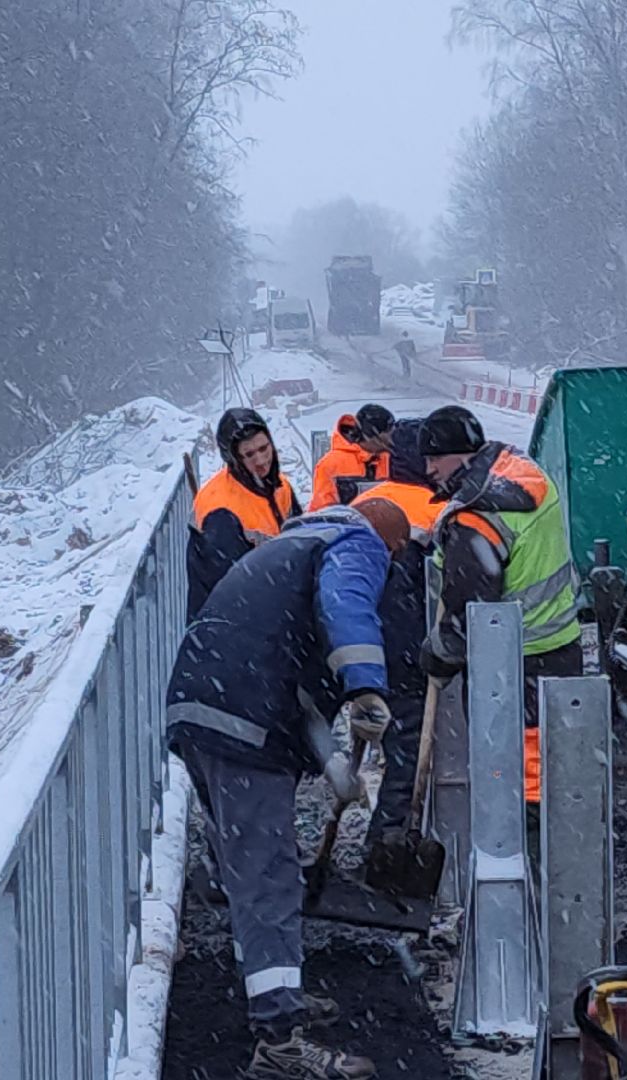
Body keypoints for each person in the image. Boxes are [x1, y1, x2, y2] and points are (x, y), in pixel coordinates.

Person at [165, 501, 411, 1080]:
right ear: (389, 543)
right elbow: (346, 603)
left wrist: (333, 766)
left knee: (244, 869)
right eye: (393, 558)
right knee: (268, 877)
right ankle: (279, 1041)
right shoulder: (355, 543)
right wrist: (366, 685)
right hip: (241, 720)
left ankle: (279, 994)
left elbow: (292, 684)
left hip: (202, 705)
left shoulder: (286, 550)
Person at [416, 406, 582, 807]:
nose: (429, 469)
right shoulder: (523, 474)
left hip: (511, 664)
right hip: (560, 647)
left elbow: (469, 621)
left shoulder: (475, 520)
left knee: (514, 778)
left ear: (462, 454)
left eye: (436, 457)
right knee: (556, 765)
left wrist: (435, 656)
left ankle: (525, 848)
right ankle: (550, 839)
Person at [350, 420, 445, 840]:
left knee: (388, 740)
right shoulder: (437, 509)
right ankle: (389, 842)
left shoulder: (366, 501)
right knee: (409, 752)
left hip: (360, 645)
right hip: (407, 649)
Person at [195, 408, 303, 541]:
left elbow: (301, 536)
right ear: (234, 459)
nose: (261, 460)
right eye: (249, 454)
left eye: (263, 448)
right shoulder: (219, 509)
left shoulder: (280, 486)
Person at [310, 405, 396, 511]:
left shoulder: (394, 460)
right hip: (346, 527)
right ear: (373, 435)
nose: (394, 437)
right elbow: (321, 512)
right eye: (390, 432)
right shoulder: (330, 465)